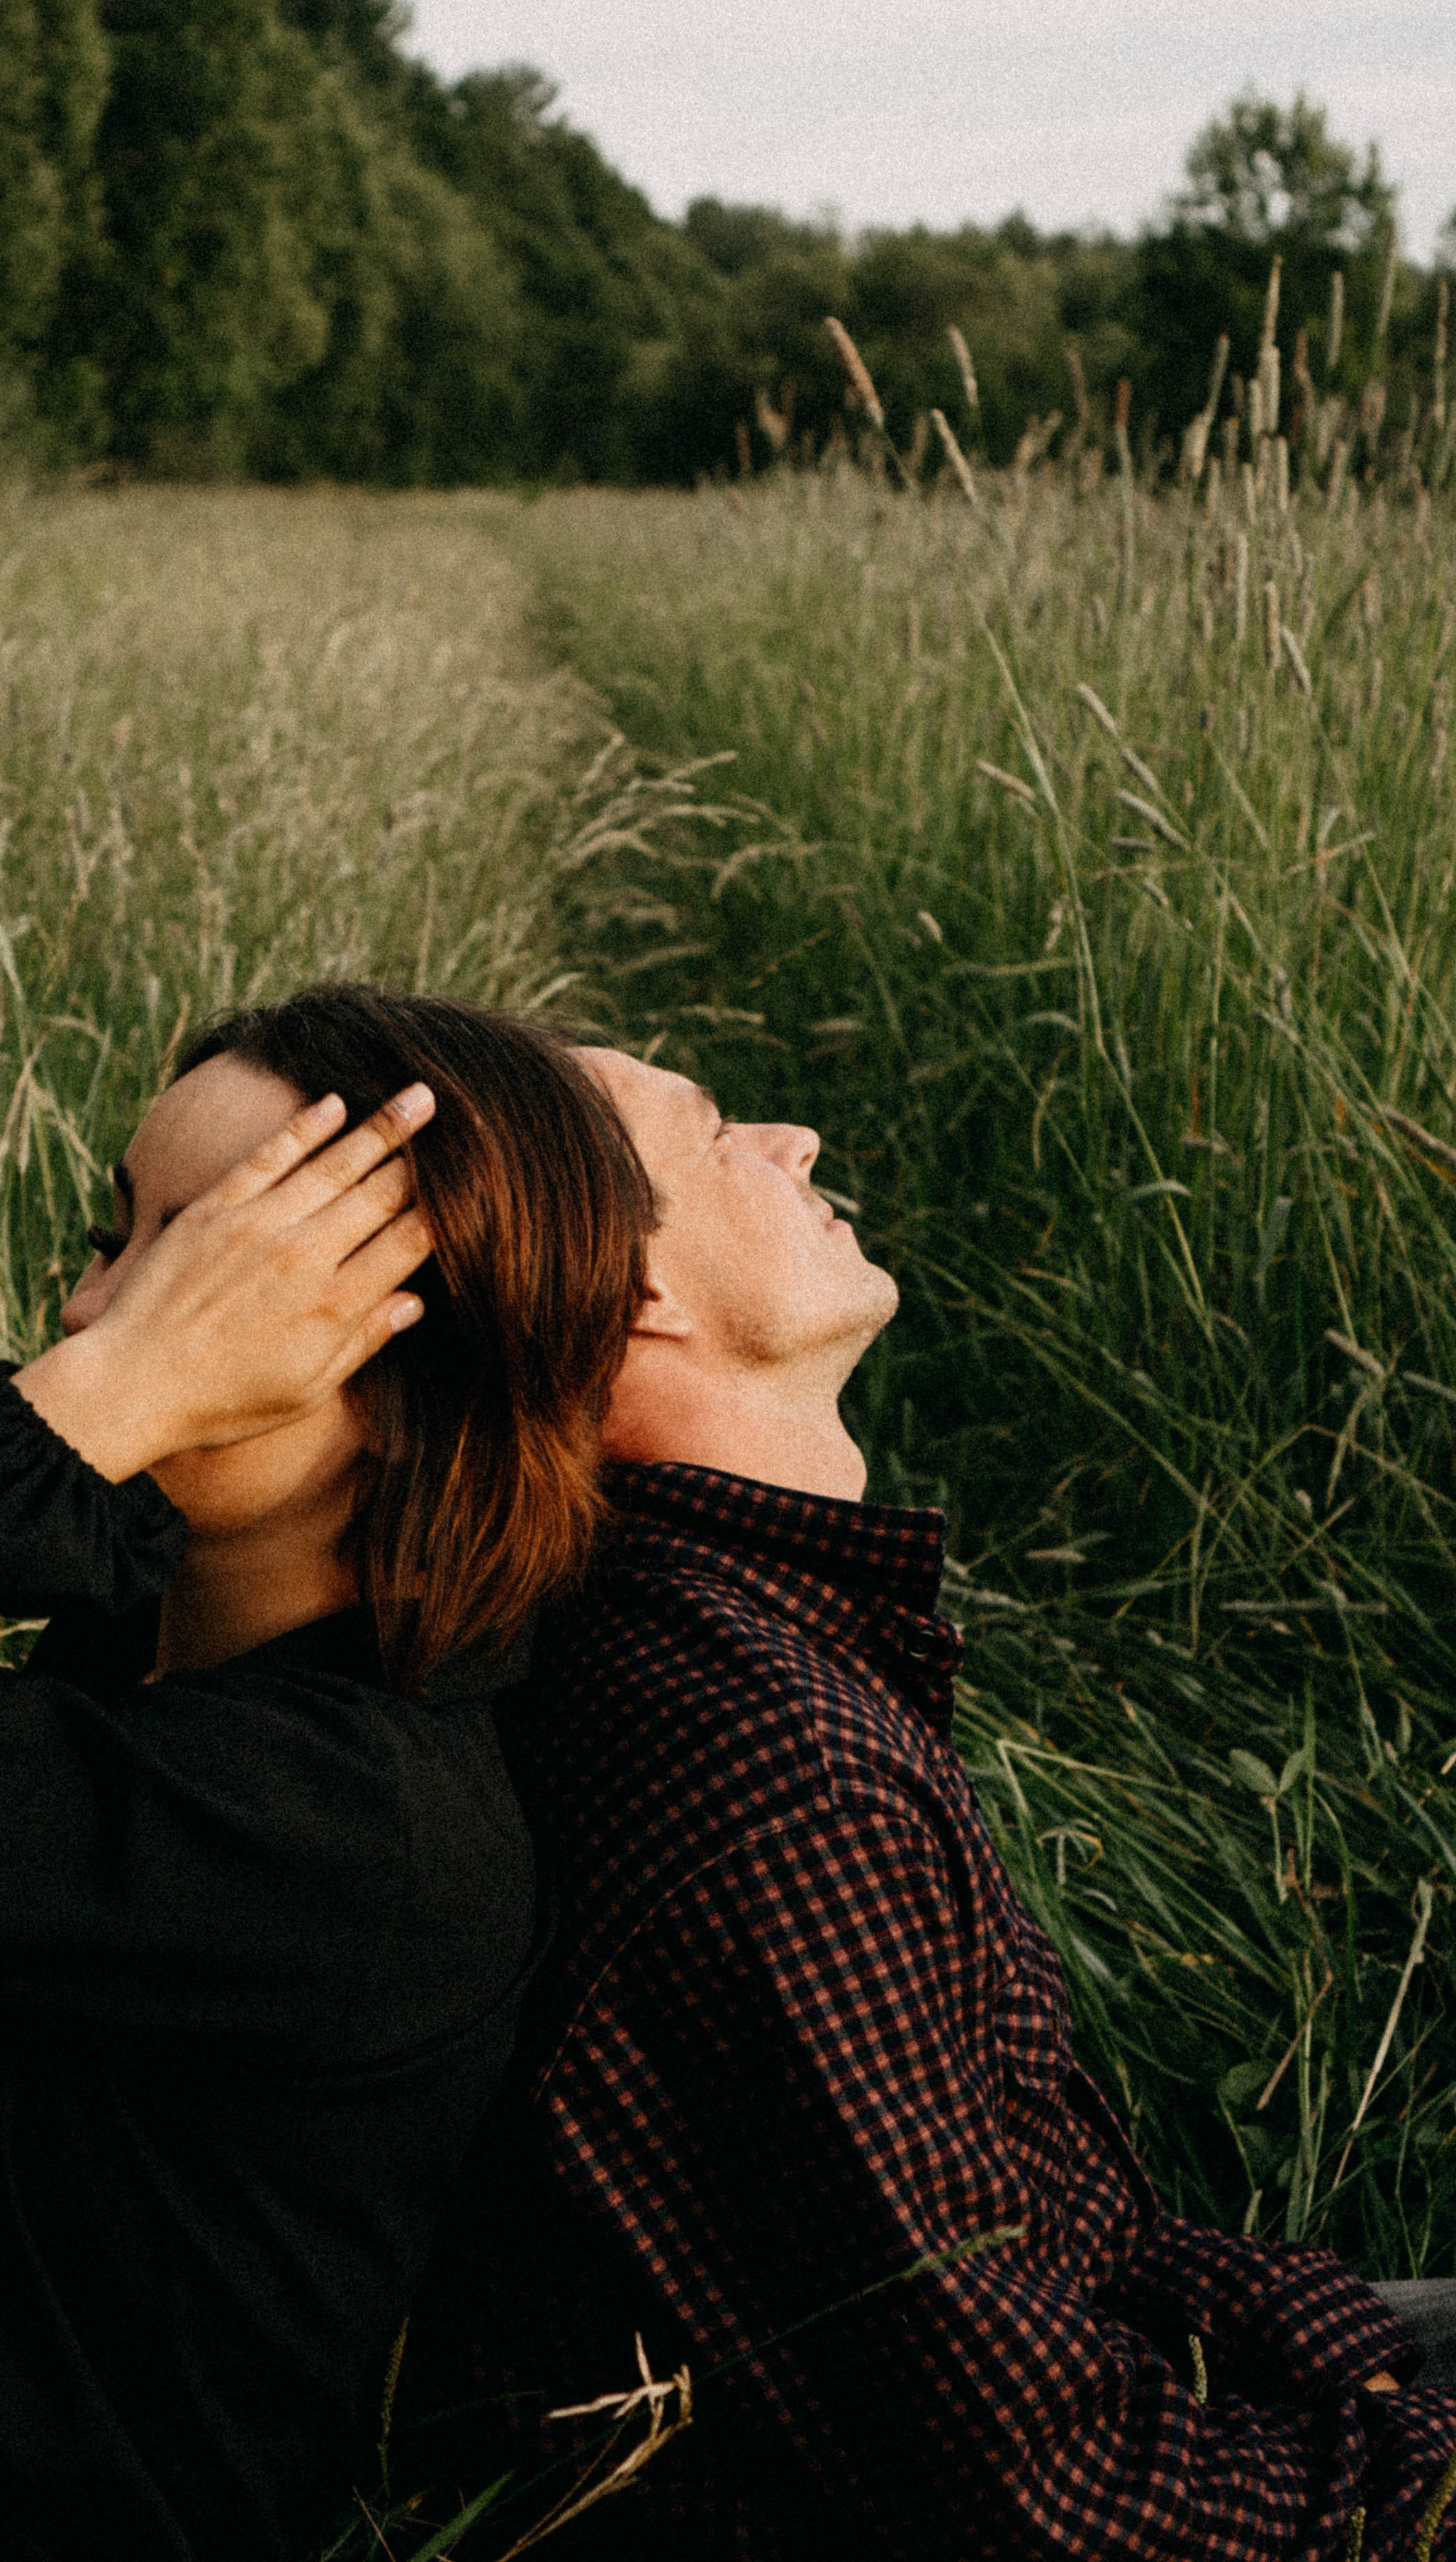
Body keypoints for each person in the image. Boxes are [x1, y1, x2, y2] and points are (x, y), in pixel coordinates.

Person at [0, 985, 654, 2562]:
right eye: (123, 1241)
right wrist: (79, 1427)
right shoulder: (167, 1625)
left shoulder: (336, 1826)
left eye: (202, 1273)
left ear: (394, 1383)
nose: (82, 1310)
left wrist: (107, 1406)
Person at [403, 1047, 1456, 2561]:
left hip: (1132, 2366)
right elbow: (1052, 2505)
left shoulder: (699, 1637)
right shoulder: (768, 1770)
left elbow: (1059, 2259)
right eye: (713, 1139)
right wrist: (1399, 2446)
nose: (792, 1133)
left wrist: (1319, 2337)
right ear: (638, 1296)